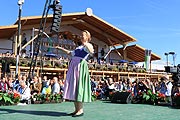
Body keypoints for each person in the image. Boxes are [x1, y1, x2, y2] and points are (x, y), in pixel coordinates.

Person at [56, 30, 94, 117]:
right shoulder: (79, 47)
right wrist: (60, 48)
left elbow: (91, 51)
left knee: (78, 87)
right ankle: (76, 109)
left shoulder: (87, 45)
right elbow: (70, 53)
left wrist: (86, 43)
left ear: (87, 37)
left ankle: (80, 110)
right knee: (74, 87)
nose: (81, 37)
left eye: (83, 35)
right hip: (74, 66)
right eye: (81, 35)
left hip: (80, 66)